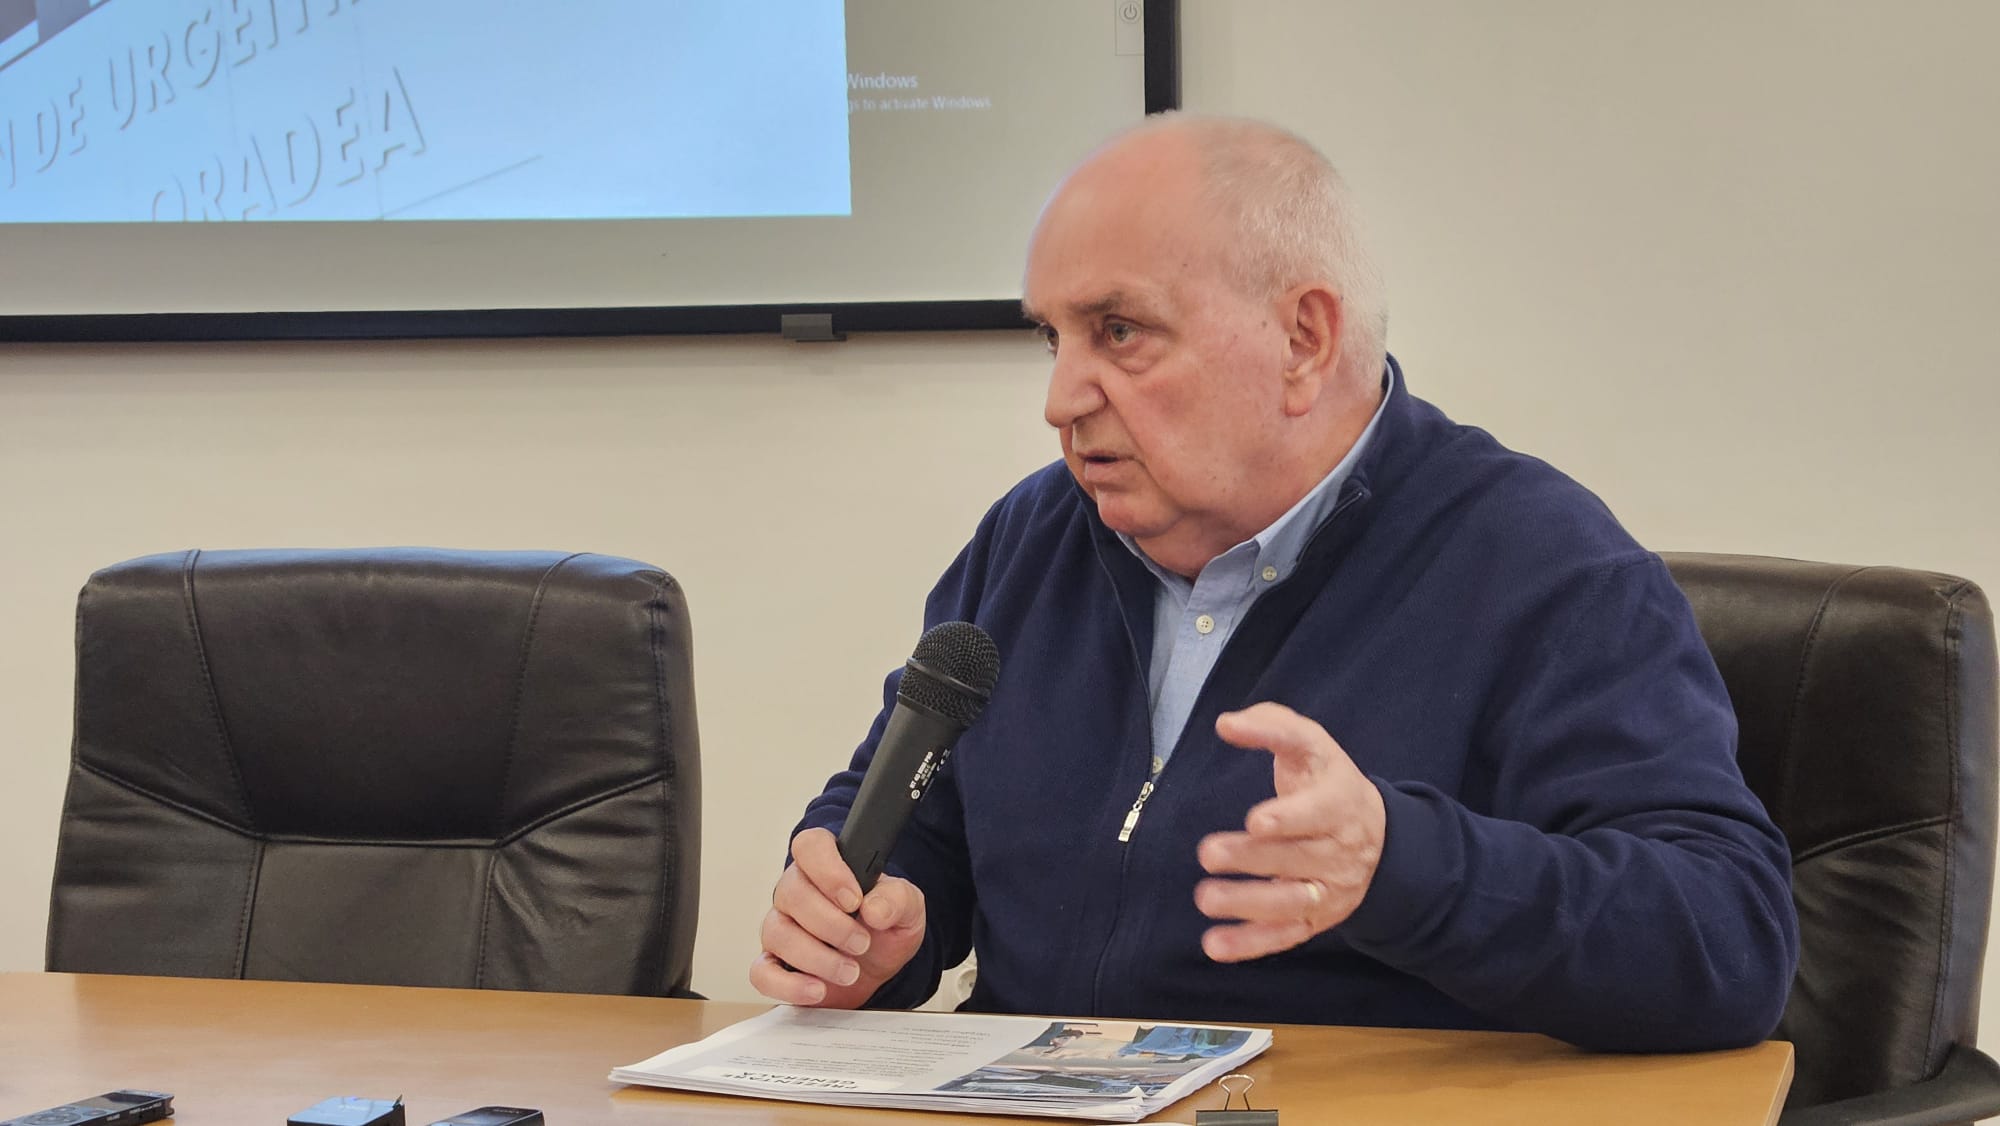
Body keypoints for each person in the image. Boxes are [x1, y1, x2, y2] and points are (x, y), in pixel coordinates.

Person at [749, 113, 1799, 1052]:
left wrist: (1398, 865)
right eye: (1052, 337)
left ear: (1302, 340)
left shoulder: (1538, 563)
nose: (1060, 398)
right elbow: (914, 819)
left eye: (1119, 332)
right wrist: (865, 922)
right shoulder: (1030, 538)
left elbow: (1728, 937)